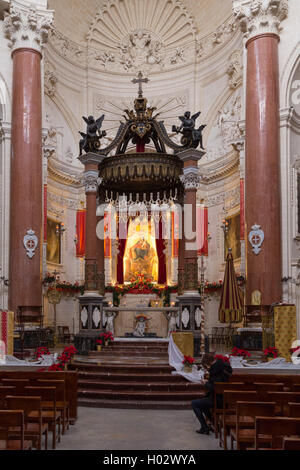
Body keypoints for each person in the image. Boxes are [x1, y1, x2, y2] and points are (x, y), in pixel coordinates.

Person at [191, 356, 232, 435]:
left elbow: (215, 388)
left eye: (206, 367)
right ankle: (213, 424)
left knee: (194, 403)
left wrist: (206, 383)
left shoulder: (215, 370)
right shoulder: (224, 367)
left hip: (219, 400)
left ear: (208, 364)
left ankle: (204, 427)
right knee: (203, 402)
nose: (207, 369)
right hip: (227, 398)